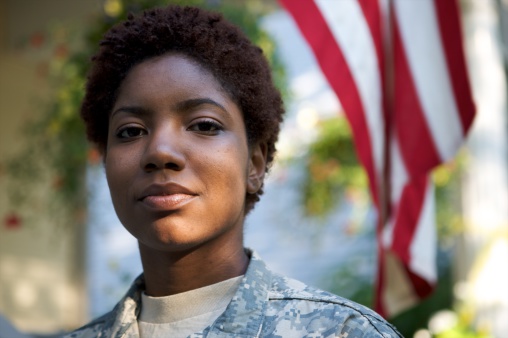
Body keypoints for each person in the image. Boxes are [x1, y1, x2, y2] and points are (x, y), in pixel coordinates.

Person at [65, 4, 402, 338]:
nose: (160, 151)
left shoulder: (344, 332)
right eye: (131, 131)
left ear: (254, 164)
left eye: (204, 125)